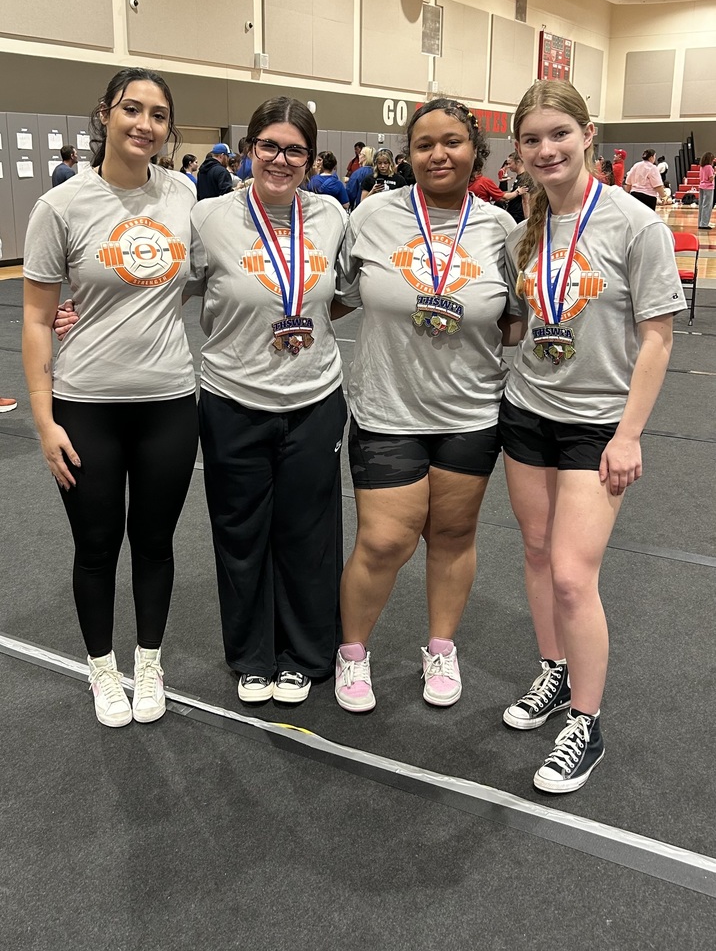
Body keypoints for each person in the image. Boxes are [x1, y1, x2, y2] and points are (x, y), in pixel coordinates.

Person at [499, 80, 684, 793]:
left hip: (598, 426)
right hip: (526, 412)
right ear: (517, 150)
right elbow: (521, 322)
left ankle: (587, 719)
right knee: (539, 554)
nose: (546, 150)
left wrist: (629, 435)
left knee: (576, 577)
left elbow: (659, 339)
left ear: (588, 134)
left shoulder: (636, 225)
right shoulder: (525, 227)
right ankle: (553, 672)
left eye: (558, 134)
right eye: (532, 139)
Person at [22, 68, 199, 729]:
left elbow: (193, 278)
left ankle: (148, 661)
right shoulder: (62, 206)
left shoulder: (182, 193)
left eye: (158, 114)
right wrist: (43, 421)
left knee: (155, 544)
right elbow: (38, 319)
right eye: (132, 108)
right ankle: (103, 668)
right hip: (86, 406)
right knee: (96, 547)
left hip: (169, 403)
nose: (145, 124)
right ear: (105, 114)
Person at [334, 98, 520, 713]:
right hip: (388, 408)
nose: (438, 154)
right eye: (423, 144)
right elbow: (327, 295)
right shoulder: (371, 216)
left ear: (475, 150)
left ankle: (440, 645)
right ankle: (352, 653)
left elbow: (519, 321)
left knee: (453, 534)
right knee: (384, 541)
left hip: (470, 412)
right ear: (407, 153)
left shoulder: (501, 229)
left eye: (452, 142)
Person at [186, 97, 349, 706]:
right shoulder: (209, 218)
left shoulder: (332, 215)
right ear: (249, 147)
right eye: (270, 146)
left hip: (313, 398)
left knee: (308, 533)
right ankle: (252, 656)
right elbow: (163, 286)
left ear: (310, 157)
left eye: (295, 150)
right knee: (240, 531)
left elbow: (347, 292)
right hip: (232, 397)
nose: (281, 160)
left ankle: (304, 654)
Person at [697, 151, 714, 230]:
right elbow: (710, 179)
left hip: (702, 186)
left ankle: (700, 222)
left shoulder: (702, 167)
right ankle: (704, 224)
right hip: (708, 187)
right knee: (707, 205)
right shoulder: (709, 167)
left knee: (701, 205)